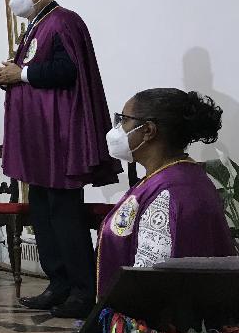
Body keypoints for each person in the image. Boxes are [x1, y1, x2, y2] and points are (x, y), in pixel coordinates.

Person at [0, 0, 120, 319]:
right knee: (43, 214)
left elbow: (68, 70)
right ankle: (57, 284)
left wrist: (23, 74)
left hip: (58, 136)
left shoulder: (63, 22)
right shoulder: (35, 27)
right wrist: (12, 76)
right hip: (39, 138)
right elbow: (35, 72)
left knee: (64, 213)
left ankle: (82, 290)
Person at [97, 89, 236, 296]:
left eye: (123, 120)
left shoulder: (170, 192)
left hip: (155, 323)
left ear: (148, 131)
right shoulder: (176, 176)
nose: (117, 129)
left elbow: (148, 282)